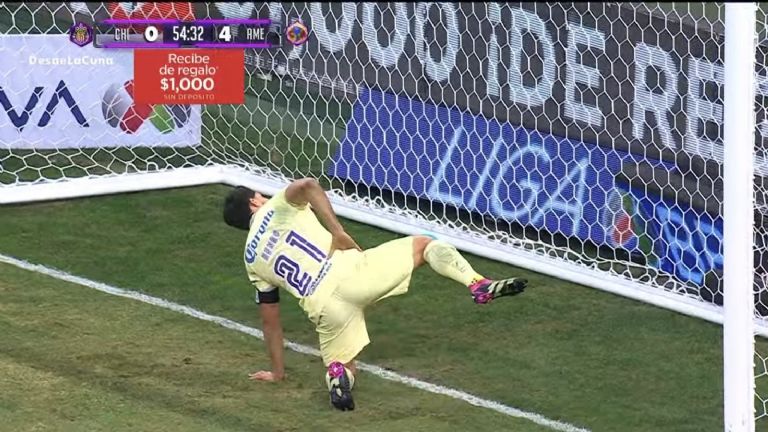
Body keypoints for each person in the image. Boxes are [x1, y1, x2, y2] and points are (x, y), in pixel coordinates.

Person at [222, 178, 528, 411]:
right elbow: (309, 185)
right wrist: (337, 231)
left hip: (325, 308)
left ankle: (337, 375)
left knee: (346, 365)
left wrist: (277, 373)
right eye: (259, 195)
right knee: (424, 244)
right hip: (353, 274)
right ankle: (476, 283)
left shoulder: (251, 260)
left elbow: (270, 321)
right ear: (255, 201)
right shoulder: (277, 205)